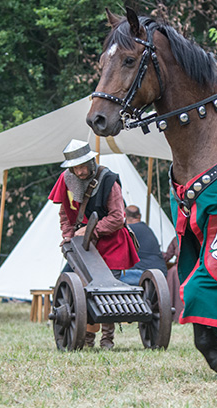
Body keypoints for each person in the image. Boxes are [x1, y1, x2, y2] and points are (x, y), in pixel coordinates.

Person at [48, 139, 139, 349]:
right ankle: (86, 338)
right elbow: (65, 214)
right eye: (75, 167)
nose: (80, 172)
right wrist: (70, 236)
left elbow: (117, 218)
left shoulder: (108, 180)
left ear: (91, 161)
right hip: (83, 245)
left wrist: (92, 230)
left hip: (111, 242)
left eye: (82, 166)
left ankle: (107, 338)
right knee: (77, 286)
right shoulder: (66, 179)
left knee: (106, 290)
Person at [121, 205, 168, 285]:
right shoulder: (146, 228)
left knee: (111, 278)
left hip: (144, 273)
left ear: (124, 215)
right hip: (160, 273)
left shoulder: (128, 230)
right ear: (139, 216)